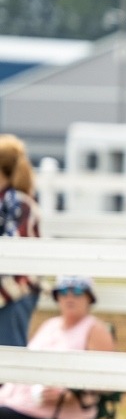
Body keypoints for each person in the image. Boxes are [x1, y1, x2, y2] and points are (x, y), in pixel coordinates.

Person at [0, 275, 116, 419]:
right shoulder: (50, 325)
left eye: (77, 291)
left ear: (89, 297)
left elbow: (106, 380)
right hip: (20, 398)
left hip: (61, 406)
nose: (69, 297)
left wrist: (71, 394)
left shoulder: (95, 329)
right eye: (63, 291)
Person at [0, 135, 41, 351]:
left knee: (8, 357)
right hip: (10, 292)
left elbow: (21, 254)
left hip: (15, 293)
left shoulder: (17, 204)